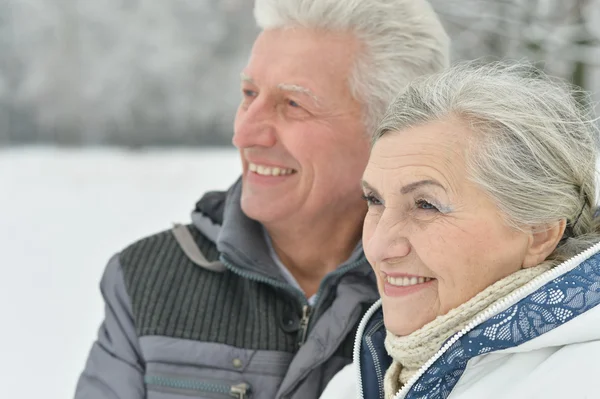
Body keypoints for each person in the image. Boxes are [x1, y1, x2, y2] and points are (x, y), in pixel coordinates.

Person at [74, 1, 449, 398]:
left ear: (393, 131)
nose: (246, 133)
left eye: (293, 104)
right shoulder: (147, 280)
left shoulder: (451, 289)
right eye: (248, 93)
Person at [320, 61, 600, 399]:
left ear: (539, 232)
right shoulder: (355, 384)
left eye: (426, 205)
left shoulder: (581, 380)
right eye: (374, 200)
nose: (378, 246)